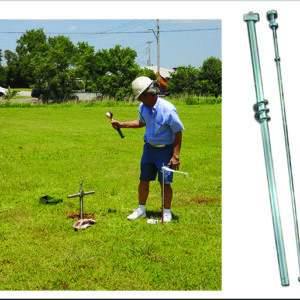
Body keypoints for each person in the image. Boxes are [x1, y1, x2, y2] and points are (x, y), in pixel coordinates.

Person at [111, 76, 184, 222]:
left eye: (140, 97)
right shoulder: (143, 107)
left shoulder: (168, 109)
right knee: (143, 179)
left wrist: (175, 155)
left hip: (165, 150)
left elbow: (178, 131)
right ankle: (141, 209)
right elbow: (141, 122)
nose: (139, 100)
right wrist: (122, 124)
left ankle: (167, 212)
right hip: (149, 148)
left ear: (148, 94)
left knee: (165, 182)